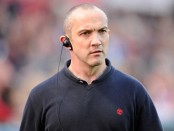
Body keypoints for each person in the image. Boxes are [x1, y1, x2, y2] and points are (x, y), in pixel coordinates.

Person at [19, 3, 163, 131]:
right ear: (66, 41)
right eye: (85, 33)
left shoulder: (133, 91)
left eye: (102, 31)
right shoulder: (41, 96)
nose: (96, 41)